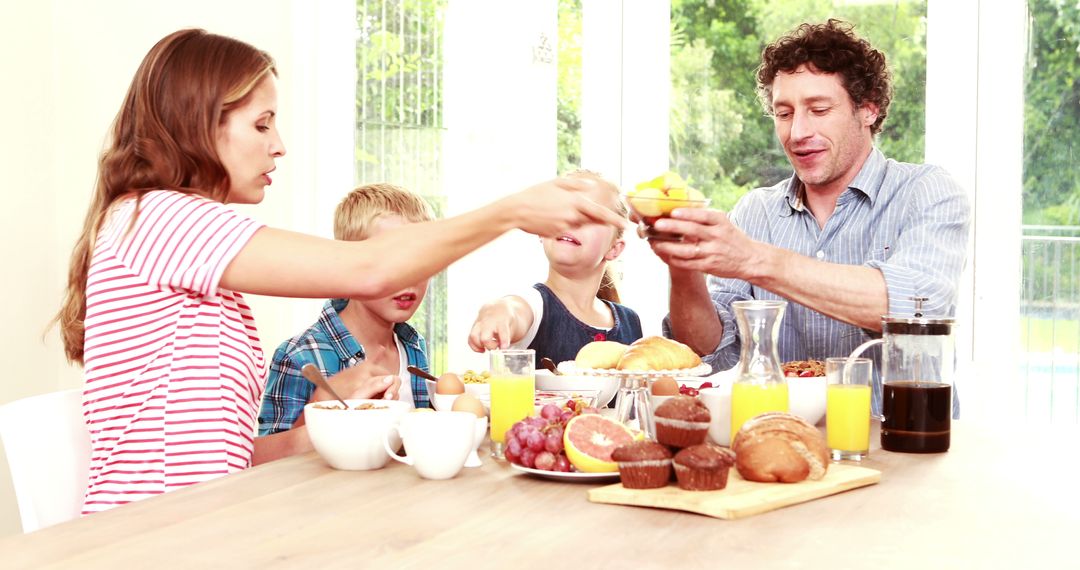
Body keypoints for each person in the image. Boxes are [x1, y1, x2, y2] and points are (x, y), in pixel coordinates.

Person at [55, 28, 624, 515]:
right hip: (151, 536)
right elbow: (370, 269)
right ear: (197, 123)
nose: (279, 146)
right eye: (261, 125)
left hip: (206, 519)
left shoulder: (181, 248)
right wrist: (513, 210)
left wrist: (325, 429)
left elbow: (220, 457)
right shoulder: (159, 218)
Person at [647, 20, 970, 416]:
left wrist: (753, 259)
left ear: (868, 108)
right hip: (780, 443)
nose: (797, 131)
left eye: (818, 110)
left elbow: (916, 309)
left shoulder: (926, 191)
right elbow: (707, 349)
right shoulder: (756, 212)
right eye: (784, 113)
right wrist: (685, 267)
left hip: (900, 447)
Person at [258, 183, 436, 438]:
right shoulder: (299, 357)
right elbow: (271, 463)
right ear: (349, 263)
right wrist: (325, 408)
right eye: (388, 259)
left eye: (422, 259)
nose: (408, 277)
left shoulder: (412, 346)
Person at [467, 170, 642, 366]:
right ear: (541, 229)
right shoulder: (534, 306)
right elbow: (513, 309)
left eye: (591, 216)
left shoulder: (631, 322)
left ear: (614, 249)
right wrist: (495, 311)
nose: (572, 222)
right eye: (562, 212)